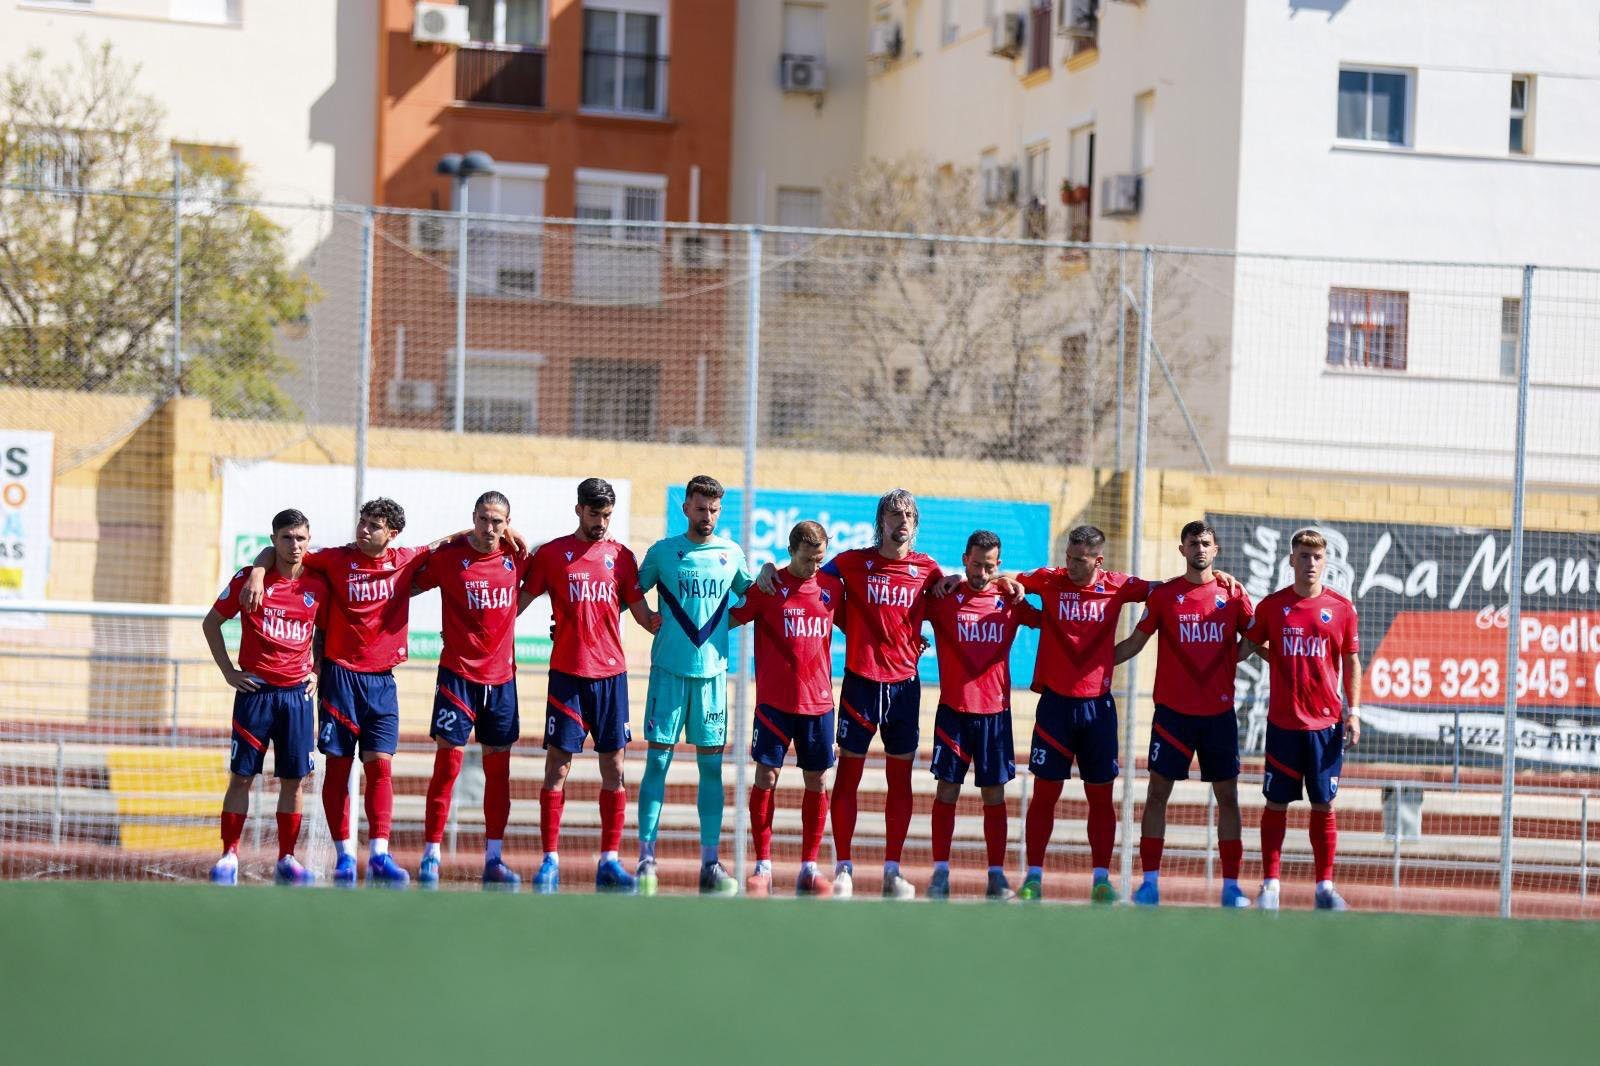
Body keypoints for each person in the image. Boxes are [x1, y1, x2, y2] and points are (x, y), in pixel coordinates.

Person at [759, 489, 940, 899]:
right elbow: (806, 575)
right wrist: (768, 568)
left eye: (909, 514)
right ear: (881, 521)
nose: (902, 522)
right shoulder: (853, 563)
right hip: (860, 683)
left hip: (905, 688)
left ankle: (893, 870)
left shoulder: (927, 570)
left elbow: (949, 599)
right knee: (847, 777)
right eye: (894, 515)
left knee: (900, 782)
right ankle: (843, 867)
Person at [241, 498, 431, 886]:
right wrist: (258, 574)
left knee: (380, 767)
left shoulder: (407, 560)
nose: (362, 531)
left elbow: (461, 542)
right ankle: (345, 856)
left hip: (382, 682)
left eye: (373, 526)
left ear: (391, 534)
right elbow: (279, 548)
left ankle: (379, 855)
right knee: (340, 769)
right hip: (341, 679)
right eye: (361, 523)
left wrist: (506, 533)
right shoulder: (333, 559)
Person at [521, 478, 659, 894]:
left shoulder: (621, 557)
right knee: (558, 767)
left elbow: (643, 616)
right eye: (595, 514)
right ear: (578, 509)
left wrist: (687, 621)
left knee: (614, 768)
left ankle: (610, 861)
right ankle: (549, 860)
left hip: (611, 678)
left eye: (607, 515)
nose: (601, 522)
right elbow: (515, 604)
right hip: (567, 675)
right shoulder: (550, 555)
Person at [1113, 520, 1258, 908]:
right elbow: (1134, 644)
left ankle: (1231, 887)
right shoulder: (1164, 596)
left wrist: (1231, 659)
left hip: (1218, 716)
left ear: (1216, 550)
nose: (1200, 549)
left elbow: (1257, 638)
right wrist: (1092, 665)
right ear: (1182, 549)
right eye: (1193, 543)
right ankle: (1150, 884)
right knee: (1157, 794)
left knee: (1227, 797)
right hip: (1173, 715)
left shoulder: (1233, 595)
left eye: (1206, 543)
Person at [1014, 525, 1150, 903]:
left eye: (1080, 560)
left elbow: (1167, 591)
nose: (1071, 565)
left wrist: (1215, 579)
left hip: (1098, 710)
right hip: (1055, 707)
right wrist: (1013, 592)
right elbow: (1008, 582)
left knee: (1101, 798)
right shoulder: (1050, 580)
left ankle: (1102, 880)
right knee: (1044, 795)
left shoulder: (1119, 586)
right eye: (1069, 557)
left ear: (1098, 560)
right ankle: (1033, 877)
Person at [634, 475, 755, 896]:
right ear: (685, 507)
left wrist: (728, 622)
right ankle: (646, 860)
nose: (707, 516)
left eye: (714, 509)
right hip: (667, 672)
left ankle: (710, 863)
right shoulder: (663, 552)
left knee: (710, 769)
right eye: (700, 508)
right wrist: (645, 618)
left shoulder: (731, 554)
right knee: (657, 764)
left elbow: (751, 597)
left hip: (713, 677)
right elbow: (632, 589)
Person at [203, 508, 327, 886]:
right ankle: (229, 856)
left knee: (294, 782)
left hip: (296, 697)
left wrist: (317, 670)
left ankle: (287, 859)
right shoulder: (249, 580)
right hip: (255, 693)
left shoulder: (319, 584)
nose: (294, 545)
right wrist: (228, 672)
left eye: (301, 538)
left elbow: (326, 633)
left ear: (309, 540)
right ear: (273, 540)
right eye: (287, 538)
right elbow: (211, 623)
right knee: (241, 777)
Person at [412, 491, 530, 890]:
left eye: (498, 521)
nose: (490, 528)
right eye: (483, 519)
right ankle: (431, 855)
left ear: (507, 523)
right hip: (457, 677)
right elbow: (406, 586)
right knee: (446, 767)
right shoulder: (449, 558)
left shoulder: (519, 558)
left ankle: (493, 859)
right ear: (473, 518)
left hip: (502, 682)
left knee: (499, 773)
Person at [1245, 528, 1361, 911]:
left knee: (1324, 806)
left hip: (1325, 727)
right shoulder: (1272, 606)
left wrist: (1354, 712)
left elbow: (1351, 661)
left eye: (1317, 557)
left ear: (1325, 562)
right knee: (1276, 804)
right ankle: (1271, 886)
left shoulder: (1341, 608)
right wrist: (1272, 656)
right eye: (1303, 556)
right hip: (1283, 725)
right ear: (1291, 560)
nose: (1310, 563)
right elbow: (1249, 645)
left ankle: (1325, 886)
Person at [923, 530, 1041, 901]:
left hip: (995, 714)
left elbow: (1051, 618)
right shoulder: (944, 598)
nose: (981, 572)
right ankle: (940, 871)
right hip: (953, 712)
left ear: (999, 565)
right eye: (975, 564)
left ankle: (996, 875)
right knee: (947, 790)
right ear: (964, 559)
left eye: (989, 566)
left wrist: (1019, 583)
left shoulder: (1009, 600)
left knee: (994, 795)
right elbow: (903, 611)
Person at [730, 521, 845, 897]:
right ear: (791, 550)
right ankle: (763, 866)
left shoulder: (831, 589)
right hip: (774, 706)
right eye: (809, 559)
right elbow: (728, 619)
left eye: (820, 559)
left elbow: (863, 625)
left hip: (819, 706)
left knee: (818, 782)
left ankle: (808, 868)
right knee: (766, 778)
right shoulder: (769, 586)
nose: (815, 566)